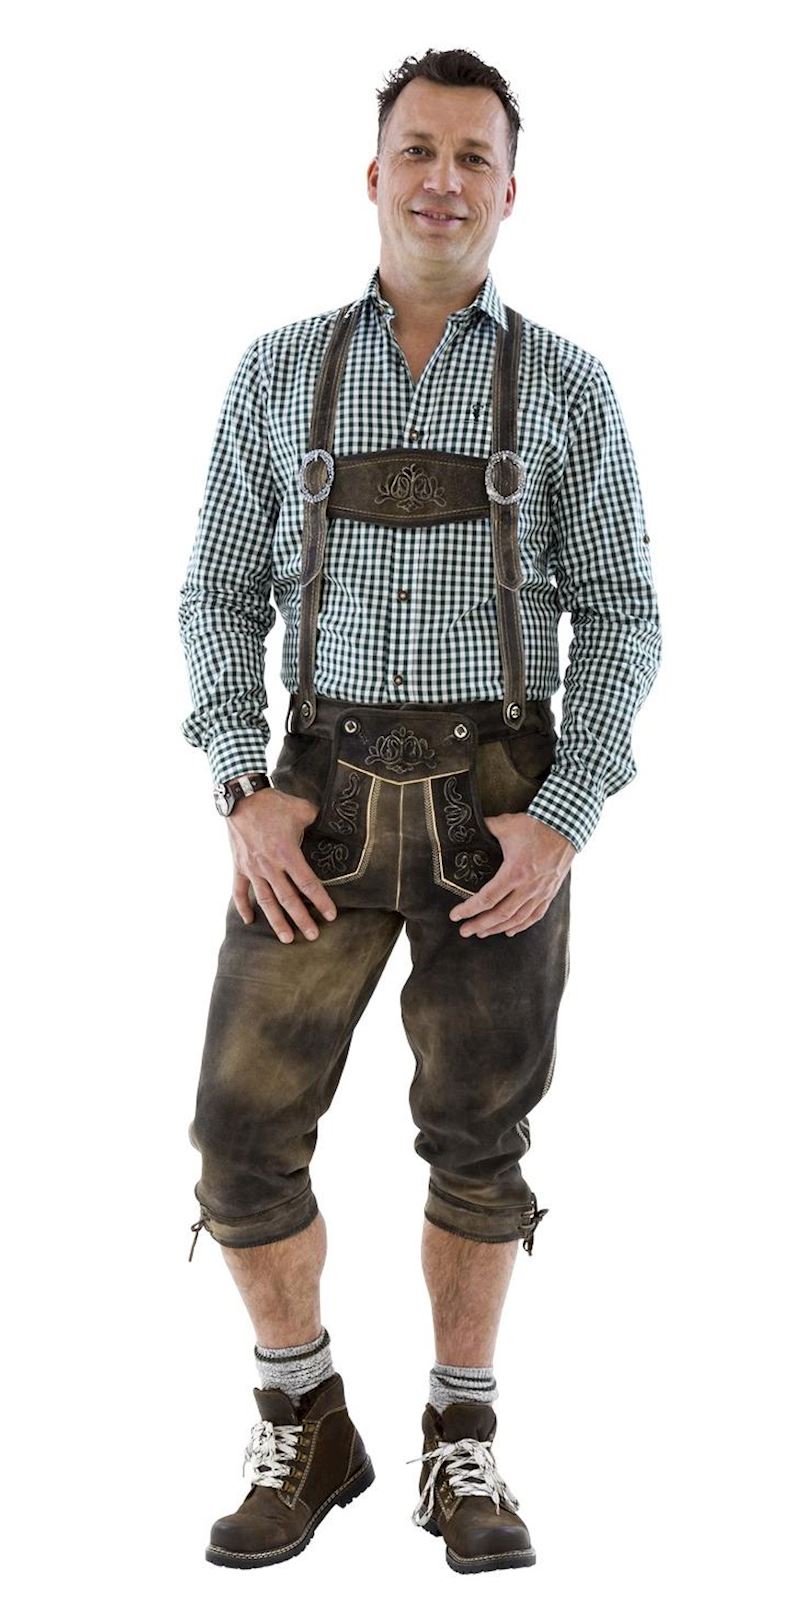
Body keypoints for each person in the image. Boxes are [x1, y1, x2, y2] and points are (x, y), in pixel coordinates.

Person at [178, 47, 662, 1576]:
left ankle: (463, 1440)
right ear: (372, 172)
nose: (443, 180)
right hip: (312, 805)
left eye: (473, 157)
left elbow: (625, 613)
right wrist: (242, 786)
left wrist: (565, 813)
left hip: (498, 808)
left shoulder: (568, 385)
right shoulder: (278, 372)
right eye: (418, 150)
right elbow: (215, 595)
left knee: (478, 1137)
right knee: (238, 1136)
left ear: (511, 190)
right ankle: (304, 1416)